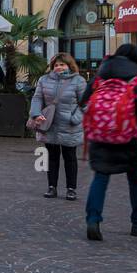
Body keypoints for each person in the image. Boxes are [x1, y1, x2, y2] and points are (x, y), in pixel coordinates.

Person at [80, 44, 137, 242]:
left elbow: (83, 101)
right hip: (131, 139)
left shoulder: (99, 78)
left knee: (100, 178)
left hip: (100, 136)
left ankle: (93, 220)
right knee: (136, 181)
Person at [29, 52, 87, 201]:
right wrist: (36, 114)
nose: (59, 67)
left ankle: (71, 189)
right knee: (52, 157)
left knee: (70, 157)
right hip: (50, 124)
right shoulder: (44, 80)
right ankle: (52, 187)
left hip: (69, 126)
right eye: (56, 65)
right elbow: (37, 98)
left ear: (69, 65)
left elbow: (87, 103)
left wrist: (75, 118)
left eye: (62, 64)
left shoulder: (78, 81)